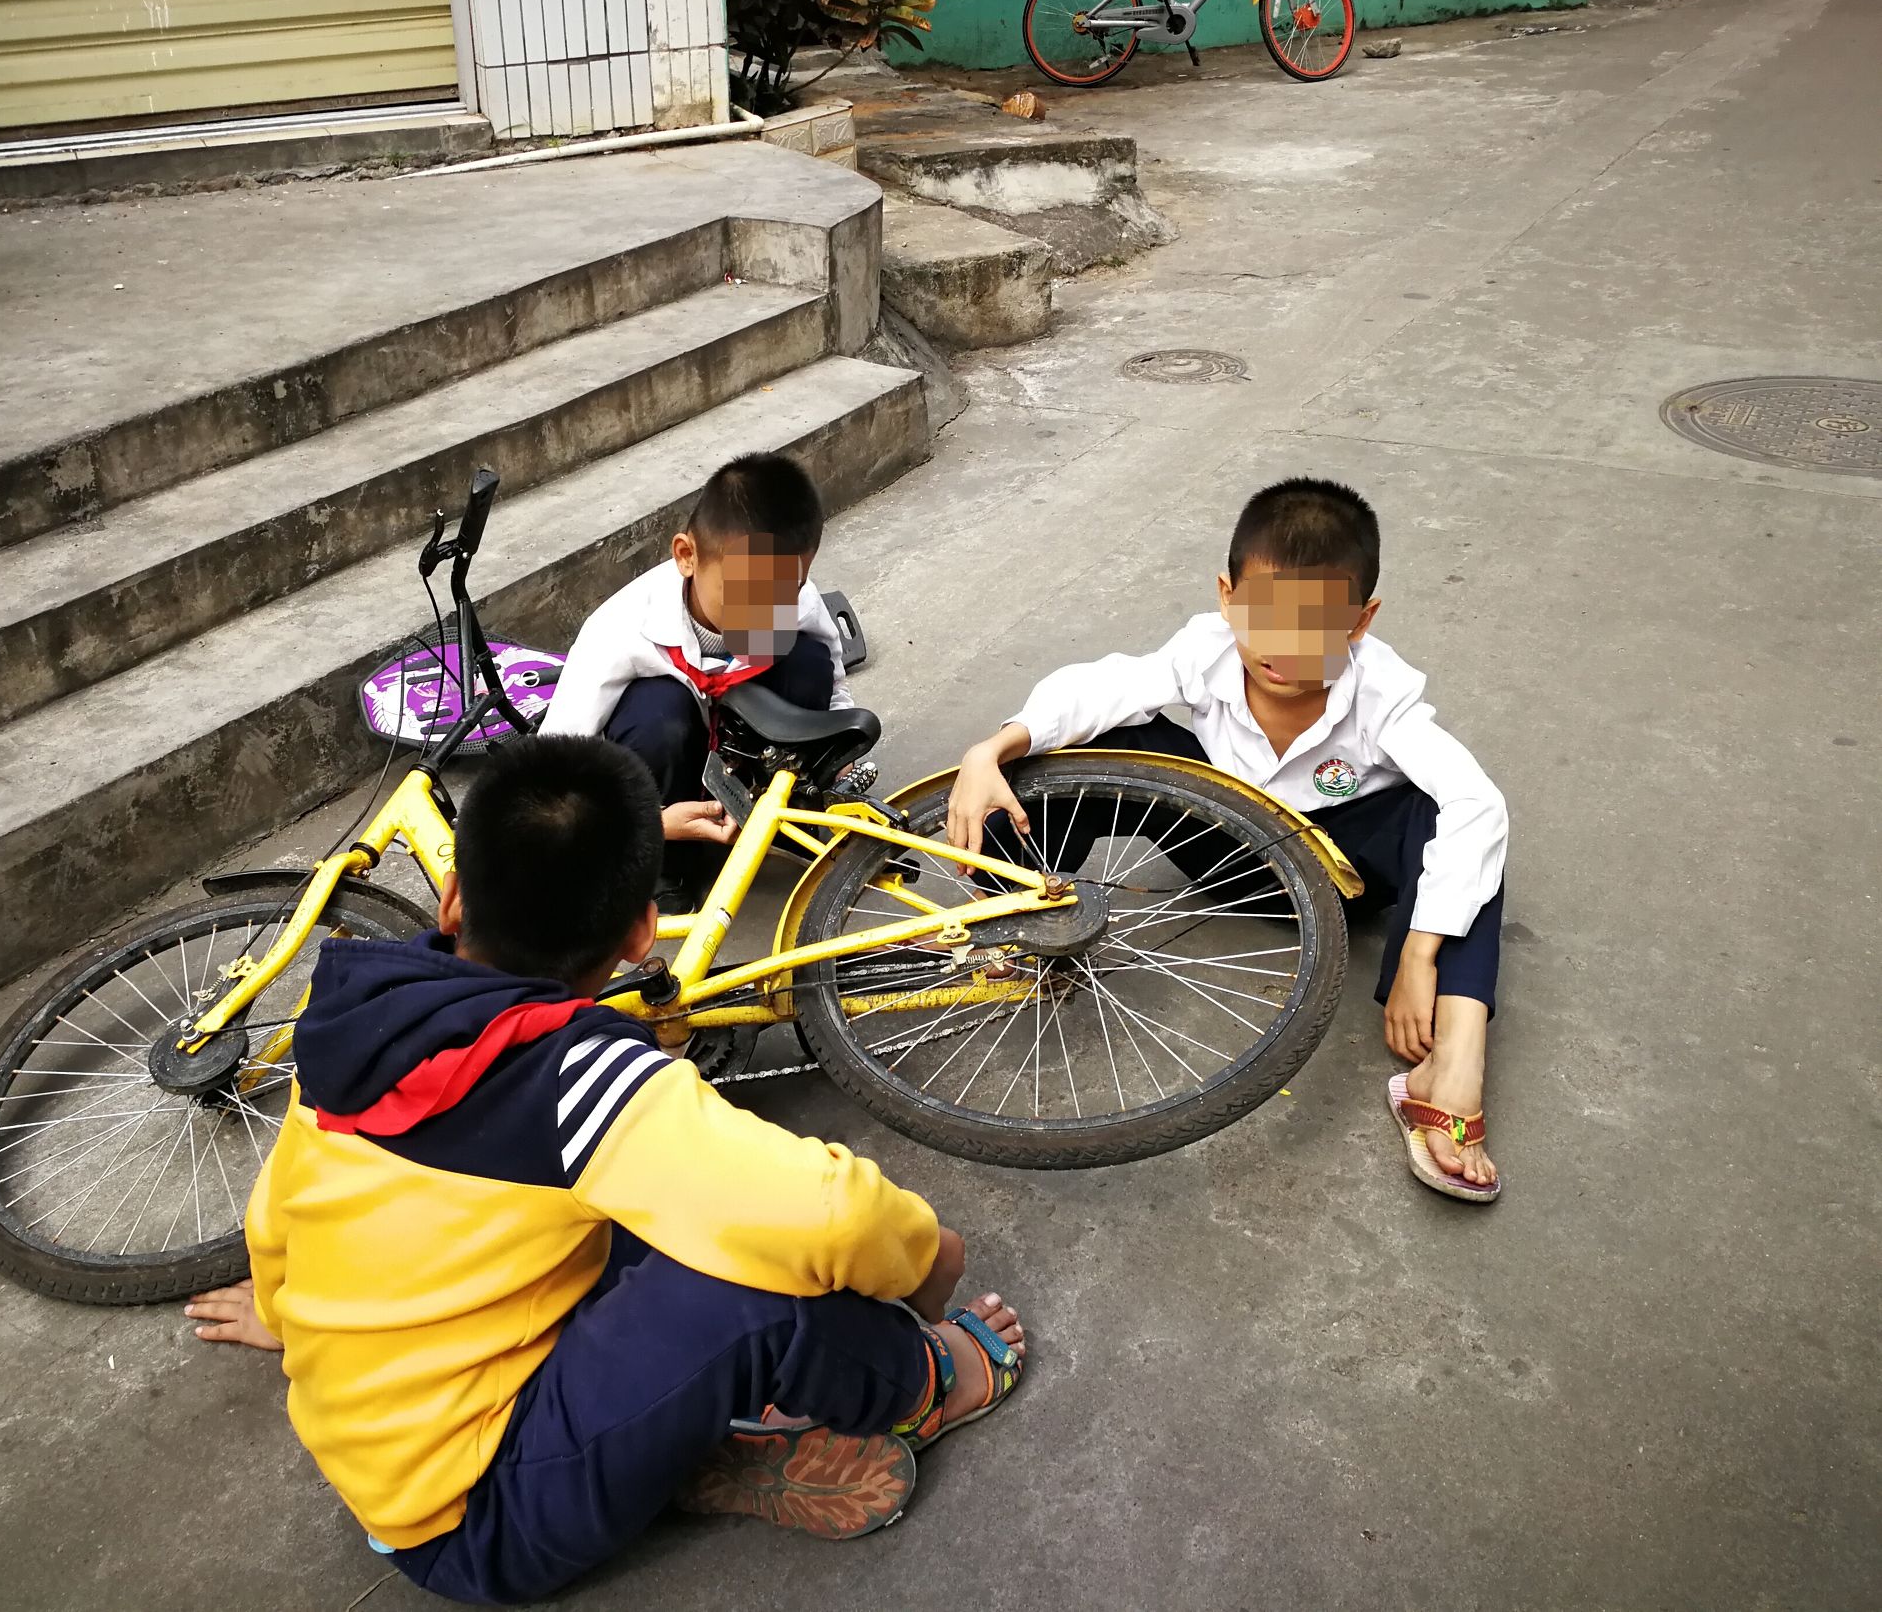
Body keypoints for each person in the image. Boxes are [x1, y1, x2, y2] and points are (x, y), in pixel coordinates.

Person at [185, 735, 1026, 1604]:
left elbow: (277, 1214)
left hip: (394, 1462)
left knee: (664, 1207)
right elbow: (832, 1215)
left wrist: (289, 1311)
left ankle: (685, 1448)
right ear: (638, 936)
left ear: (451, 899)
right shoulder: (580, 1078)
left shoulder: (352, 1028)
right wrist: (929, 1261)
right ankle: (928, 1384)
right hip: (481, 1524)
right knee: (754, 1282)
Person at [946, 477, 1510, 1202]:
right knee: (1093, 744)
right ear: (1226, 596)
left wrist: (1418, 953)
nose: (1282, 647)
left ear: (1360, 622)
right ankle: (999, 913)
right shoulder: (1205, 651)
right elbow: (1101, 687)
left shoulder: (1382, 692)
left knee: (1455, 817)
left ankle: (1453, 1065)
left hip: (1339, 875)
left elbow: (1476, 803)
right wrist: (989, 750)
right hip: (1226, 847)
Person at [538, 452, 852, 906]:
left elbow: (834, 683)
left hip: (744, 749)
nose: (766, 614)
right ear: (687, 555)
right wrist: (648, 822)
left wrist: (836, 761)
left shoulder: (796, 598)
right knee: (656, 711)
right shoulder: (619, 629)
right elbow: (552, 766)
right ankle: (666, 866)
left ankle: (786, 821)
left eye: (787, 591)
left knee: (807, 662)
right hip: (670, 786)